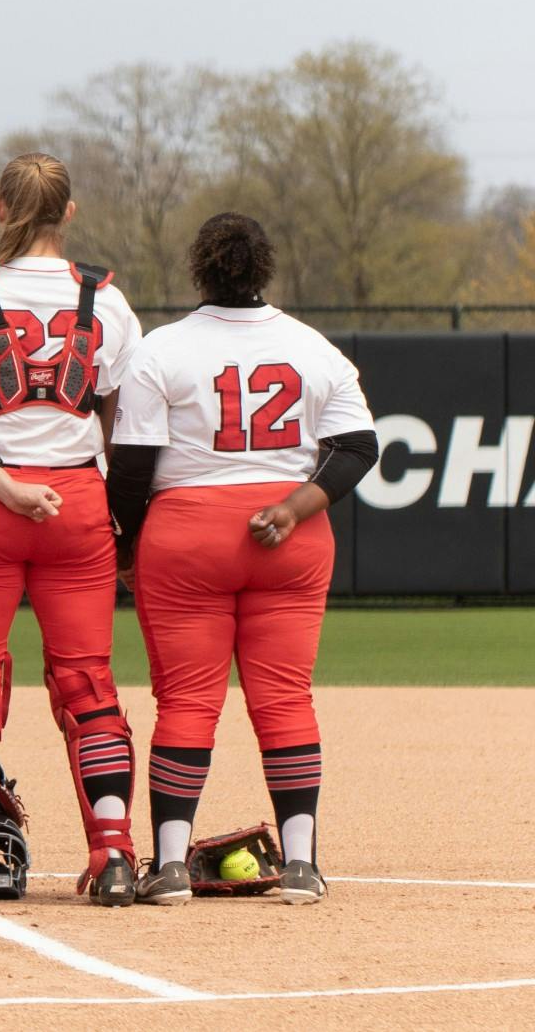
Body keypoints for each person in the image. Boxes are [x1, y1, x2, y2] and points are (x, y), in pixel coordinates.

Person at [109, 213, 378, 906]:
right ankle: (299, 865)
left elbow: (133, 467)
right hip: (287, 535)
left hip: (188, 532)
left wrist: (130, 545)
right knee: (286, 699)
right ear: (266, 269)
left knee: (188, 701)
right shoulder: (312, 347)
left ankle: (169, 867)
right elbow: (358, 448)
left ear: (200, 268)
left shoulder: (161, 348)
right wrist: (293, 507)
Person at [0, 152, 143, 907]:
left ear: (2, 210)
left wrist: (5, 483)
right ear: (68, 213)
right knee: (89, 685)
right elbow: (123, 425)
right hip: (77, 499)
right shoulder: (106, 302)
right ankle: (113, 854)